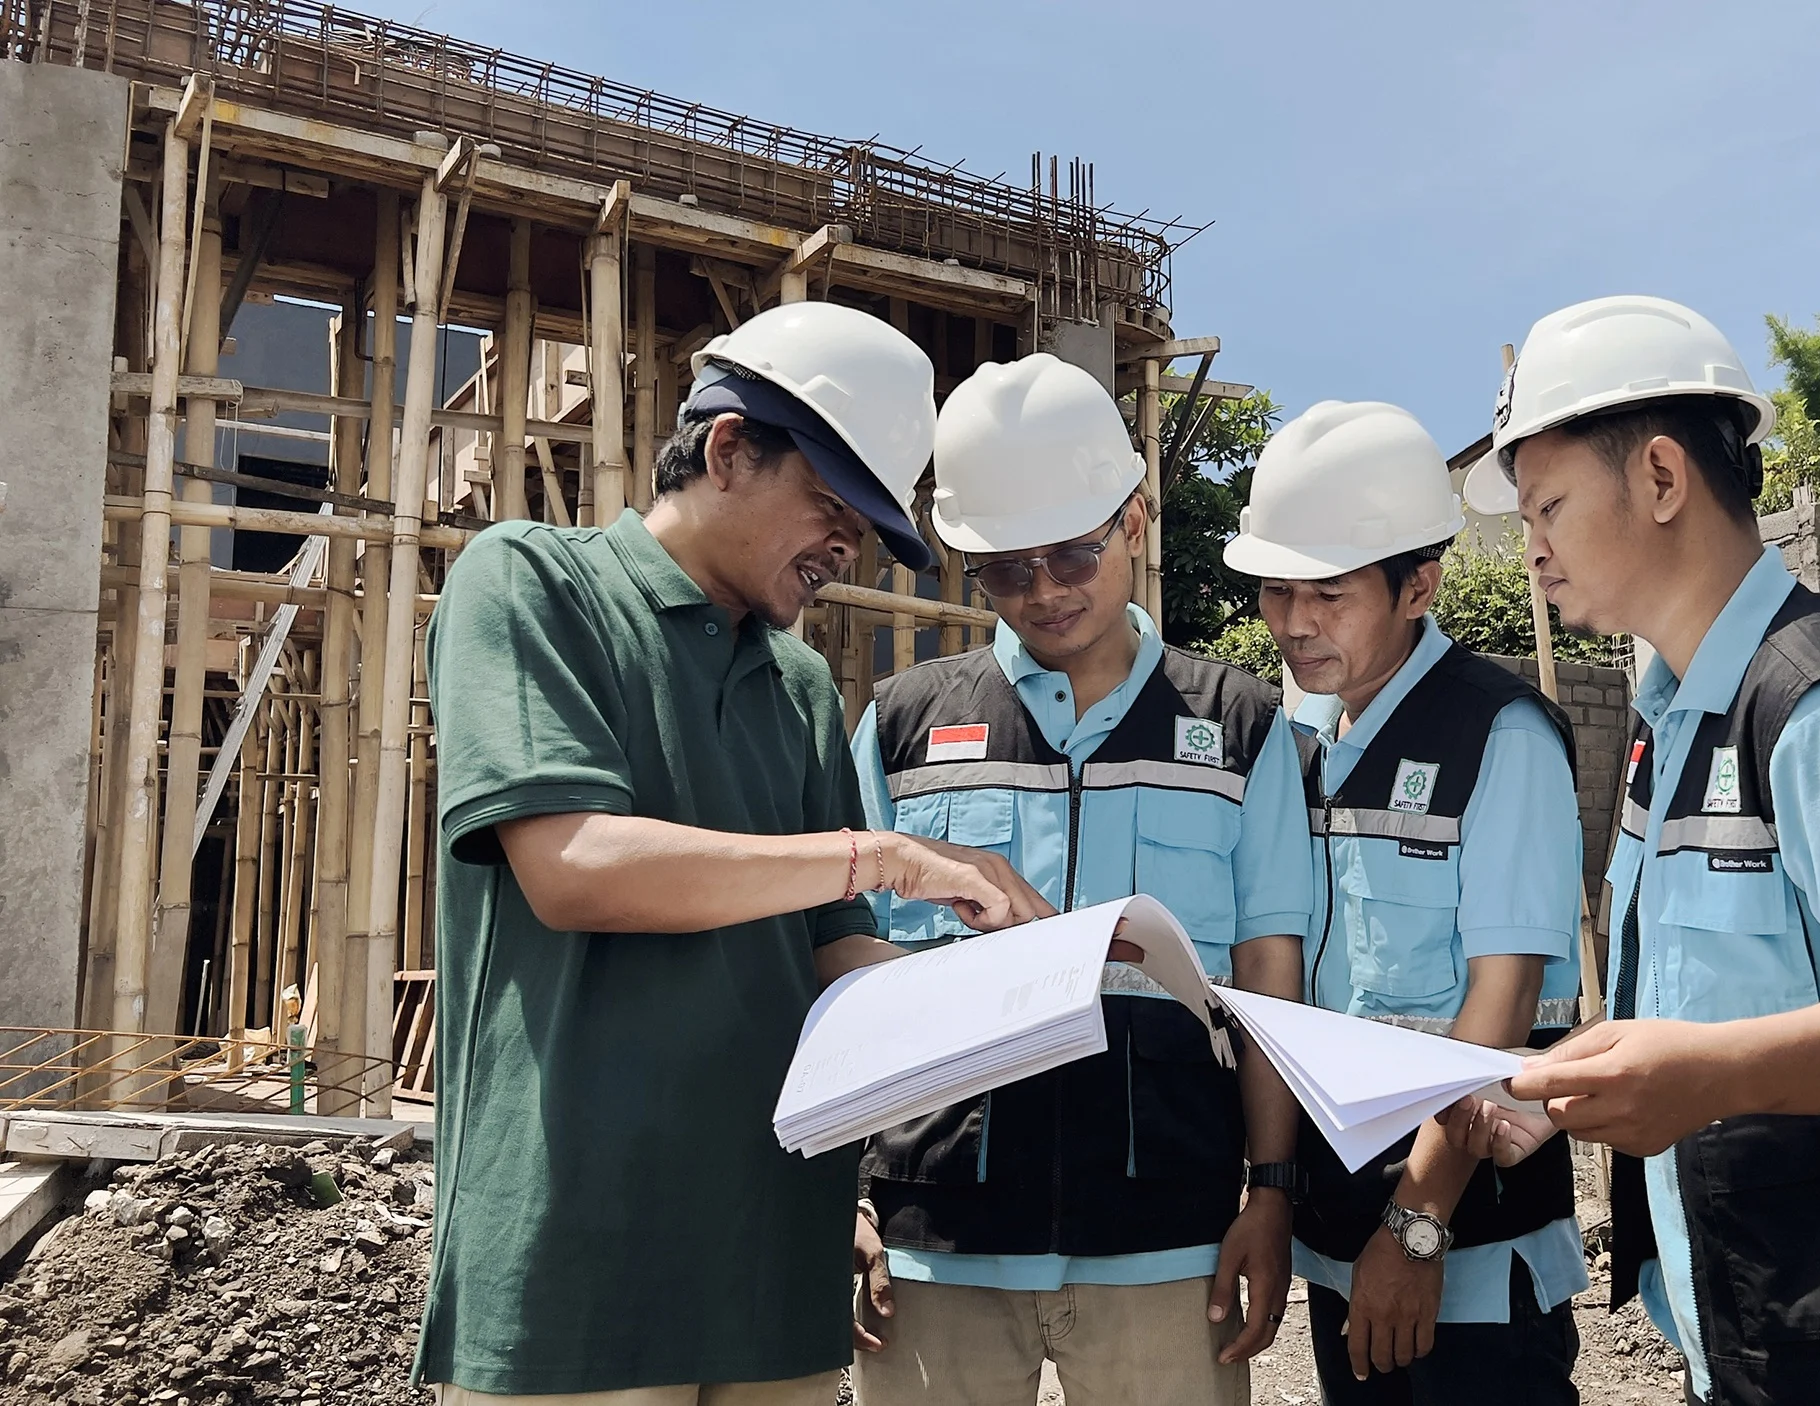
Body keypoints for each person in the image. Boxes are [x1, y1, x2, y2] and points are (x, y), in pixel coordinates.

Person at [417, 301, 1054, 1406]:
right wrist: (884, 855)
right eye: (831, 504)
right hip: (579, 1267)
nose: (847, 546)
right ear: (725, 449)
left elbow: (824, 950)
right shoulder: (531, 584)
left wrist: (1008, 988)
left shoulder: (800, 687)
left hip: (772, 1271)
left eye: (868, 524)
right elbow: (573, 865)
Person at [1460, 295, 1820, 1406]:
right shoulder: (1669, 719)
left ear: (1664, 478)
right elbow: (1704, 992)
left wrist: (1710, 1076)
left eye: (1549, 505)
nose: (1530, 549)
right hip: (1757, 1322)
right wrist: (1574, 1085)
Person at [848, 352, 1312, 1406]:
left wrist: (1271, 1188)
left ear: (1135, 519)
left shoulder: (1237, 728)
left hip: (1166, 1237)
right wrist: (845, 1195)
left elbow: (1268, 970)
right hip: (937, 1240)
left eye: (1072, 553)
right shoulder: (904, 722)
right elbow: (844, 970)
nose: (1044, 591)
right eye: (1007, 569)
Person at [1222, 401, 1587, 1405]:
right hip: (1341, 1238)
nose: (1294, 623)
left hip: (1466, 1247)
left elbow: (1501, 1003)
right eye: (1276, 592)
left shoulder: (1500, 735)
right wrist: (1278, 1186)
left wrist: (1417, 1225)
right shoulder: (1293, 732)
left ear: (1418, 584)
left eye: (1327, 595)